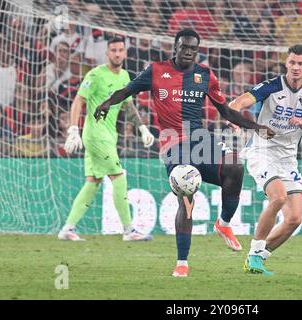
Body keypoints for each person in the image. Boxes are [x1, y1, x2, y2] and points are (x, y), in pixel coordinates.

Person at [94, 29, 275, 277]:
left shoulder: (205, 75)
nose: (189, 51)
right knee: (187, 196)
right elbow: (126, 91)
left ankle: (223, 224)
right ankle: (182, 262)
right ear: (175, 47)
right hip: (173, 144)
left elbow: (226, 111)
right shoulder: (156, 70)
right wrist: (106, 103)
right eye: (184, 47)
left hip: (200, 139)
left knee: (235, 166)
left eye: (193, 48)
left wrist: (257, 128)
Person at [229, 44, 302, 275]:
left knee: (294, 219)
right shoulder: (271, 86)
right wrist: (236, 120)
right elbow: (237, 103)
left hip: (288, 158)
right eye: (292, 62)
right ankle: (256, 248)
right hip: (262, 150)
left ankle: (256, 258)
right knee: (278, 197)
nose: (296, 67)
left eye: (301, 63)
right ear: (286, 63)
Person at [58, 37, 155, 242]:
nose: (117, 54)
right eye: (113, 50)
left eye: (120, 50)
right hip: (96, 134)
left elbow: (127, 106)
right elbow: (79, 101)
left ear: (125, 53)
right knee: (118, 176)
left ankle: (67, 228)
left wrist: (143, 128)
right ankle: (129, 231)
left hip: (110, 135)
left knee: (93, 181)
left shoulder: (125, 76)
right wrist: (73, 129)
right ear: (107, 53)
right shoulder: (95, 75)